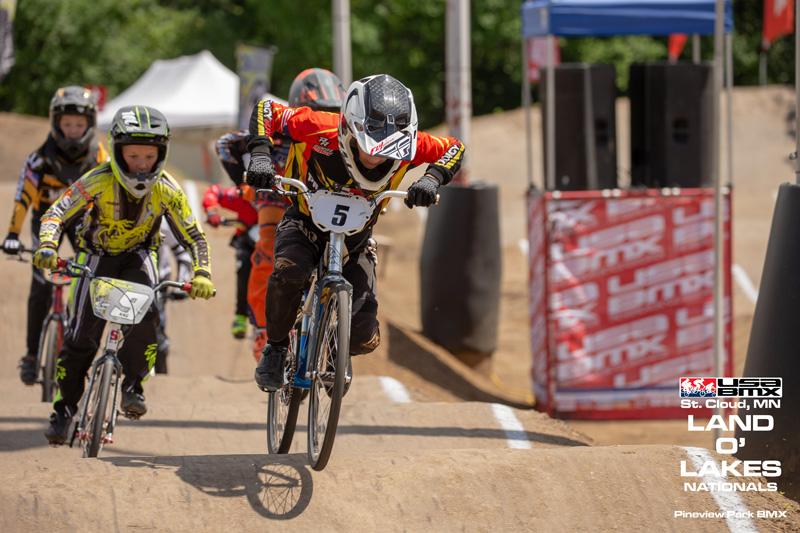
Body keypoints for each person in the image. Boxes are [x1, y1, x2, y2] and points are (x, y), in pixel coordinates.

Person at [246, 74, 465, 391]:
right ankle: (276, 349)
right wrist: (260, 155)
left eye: (390, 150)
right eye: (368, 146)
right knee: (289, 272)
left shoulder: (415, 146)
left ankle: (336, 351)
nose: (376, 157)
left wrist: (432, 178)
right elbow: (266, 109)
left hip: (357, 238)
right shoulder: (319, 126)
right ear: (348, 128)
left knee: (364, 336)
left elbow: (455, 147)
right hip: (304, 220)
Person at [32, 105, 215, 444]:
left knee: (147, 318)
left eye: (149, 156)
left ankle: (134, 386)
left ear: (161, 154)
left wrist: (202, 272)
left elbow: (194, 235)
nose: (141, 164)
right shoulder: (97, 179)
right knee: (80, 337)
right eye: (133, 155)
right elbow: (56, 213)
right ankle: (63, 410)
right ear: (117, 151)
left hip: (139, 256)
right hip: (95, 256)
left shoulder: (168, 189)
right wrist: (47, 245)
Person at [215, 67, 345, 358]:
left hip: (321, 200)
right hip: (276, 198)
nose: (323, 120)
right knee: (267, 253)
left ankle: (338, 329)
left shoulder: (343, 133)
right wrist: (247, 181)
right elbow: (225, 145)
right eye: (316, 112)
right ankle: (264, 328)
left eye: (332, 113)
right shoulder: (281, 128)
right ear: (298, 107)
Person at [1, 86, 107, 385]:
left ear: (90, 123)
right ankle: (31, 355)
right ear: (56, 123)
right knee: (40, 286)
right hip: (46, 221)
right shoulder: (38, 160)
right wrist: (12, 234)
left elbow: (109, 196)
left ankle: (82, 352)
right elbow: (23, 198)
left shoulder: (99, 157)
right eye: (66, 123)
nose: (72, 130)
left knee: (89, 281)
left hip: (82, 221)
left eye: (79, 124)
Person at [201, 182, 257, 339]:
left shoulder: (282, 195)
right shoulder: (244, 195)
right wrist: (212, 212)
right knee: (244, 267)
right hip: (247, 242)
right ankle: (241, 316)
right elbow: (215, 192)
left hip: (275, 242)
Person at [154, 219, 193, 374]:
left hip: (158, 281)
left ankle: (161, 375)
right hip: (129, 279)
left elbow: (183, 253)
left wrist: (181, 283)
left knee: (156, 327)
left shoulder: (162, 223)